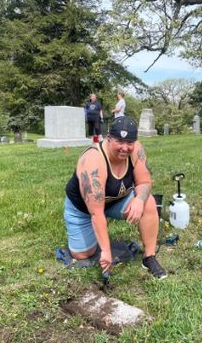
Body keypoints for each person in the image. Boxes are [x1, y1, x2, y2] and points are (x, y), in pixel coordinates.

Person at [64, 115, 168, 280]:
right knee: (83, 254)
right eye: (119, 141)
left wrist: (139, 201)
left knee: (148, 201)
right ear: (108, 138)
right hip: (84, 209)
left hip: (115, 201)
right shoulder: (93, 160)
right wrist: (106, 251)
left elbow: (144, 181)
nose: (125, 148)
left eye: (130, 143)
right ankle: (93, 238)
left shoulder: (136, 150)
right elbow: (96, 213)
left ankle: (149, 257)